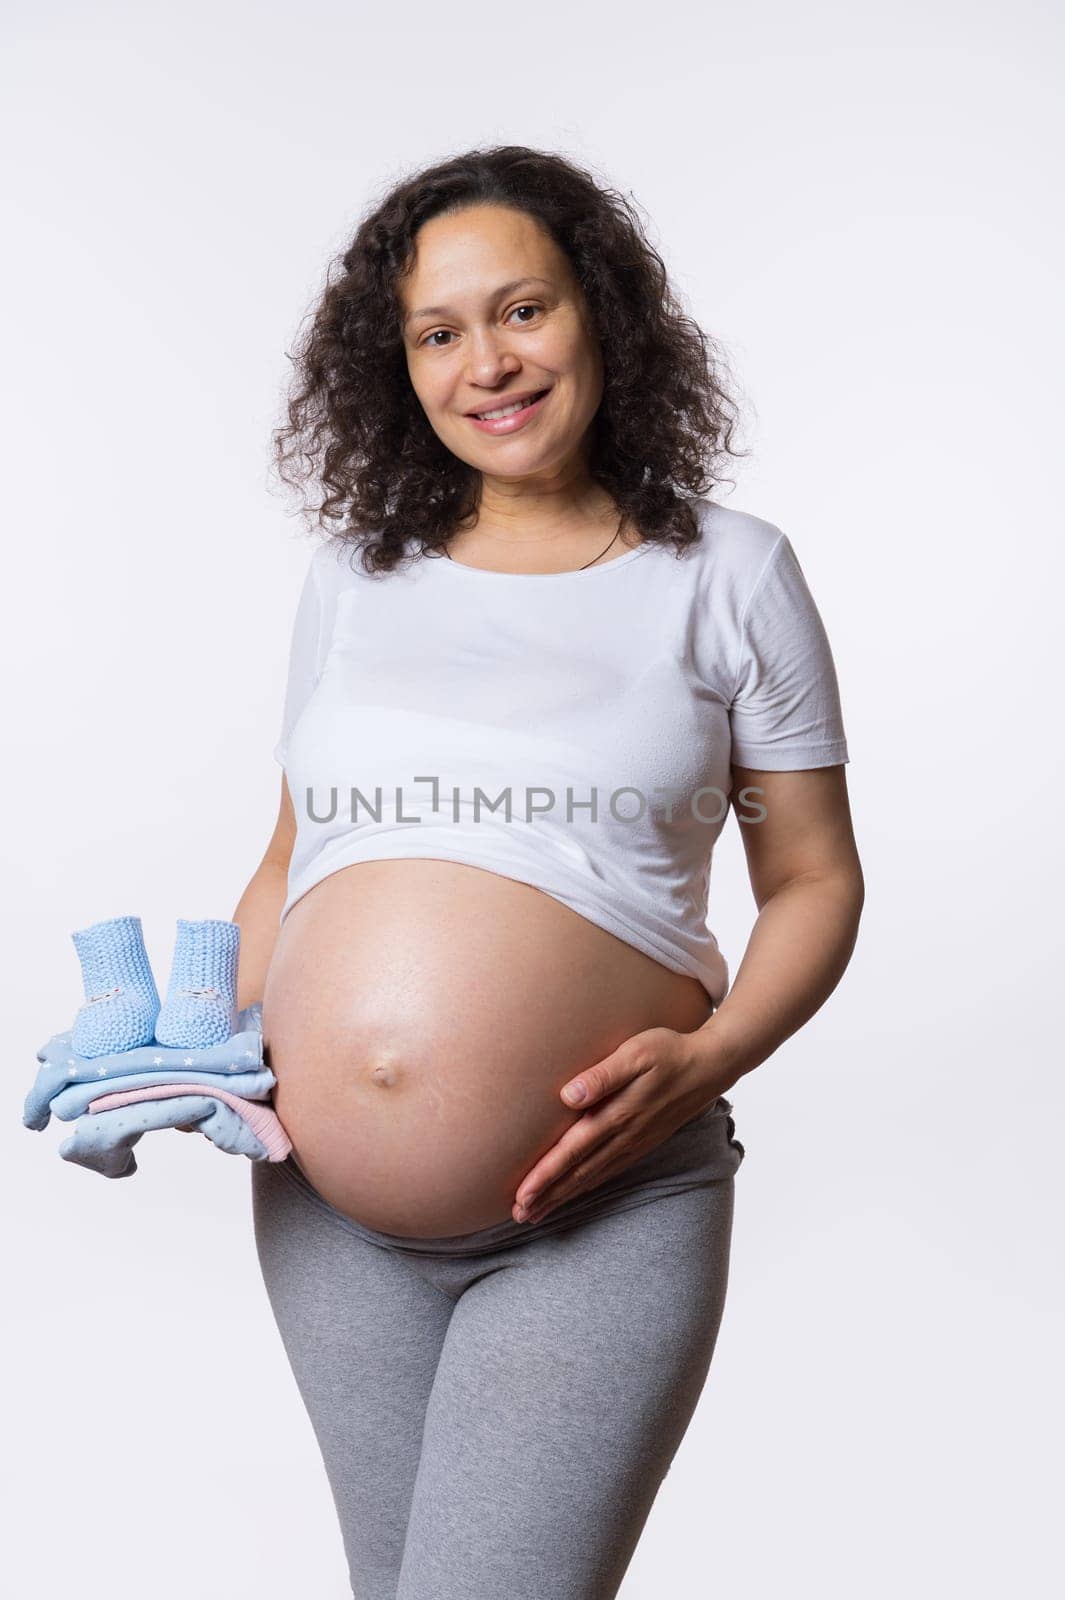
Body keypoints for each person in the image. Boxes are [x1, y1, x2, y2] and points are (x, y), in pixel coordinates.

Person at [231, 145, 864, 1599]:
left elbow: (815, 883)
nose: (485, 363)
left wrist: (708, 1059)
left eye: (521, 309)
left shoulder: (727, 573)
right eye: (436, 334)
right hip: (326, 1222)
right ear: (395, 370)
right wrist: (202, 1044)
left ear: (602, 314)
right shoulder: (353, 577)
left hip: (593, 1206)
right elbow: (290, 855)